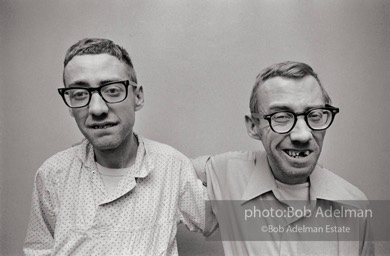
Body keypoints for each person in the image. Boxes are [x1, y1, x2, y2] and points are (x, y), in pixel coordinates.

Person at [24, 38, 216, 255]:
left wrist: (236, 168)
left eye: (112, 90)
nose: (97, 109)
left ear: (138, 97)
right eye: (79, 94)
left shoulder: (172, 167)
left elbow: (238, 221)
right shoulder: (52, 174)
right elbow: (38, 249)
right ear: (69, 105)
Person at [193, 61, 373, 255]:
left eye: (315, 115)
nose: (303, 135)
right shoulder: (224, 173)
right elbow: (165, 172)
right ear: (254, 126)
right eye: (281, 116)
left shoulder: (354, 206)